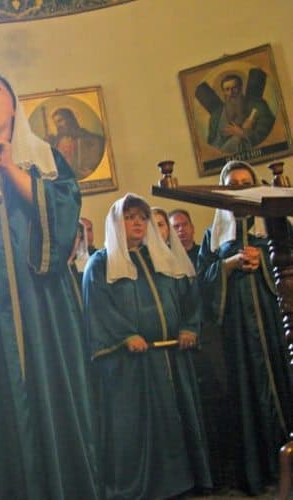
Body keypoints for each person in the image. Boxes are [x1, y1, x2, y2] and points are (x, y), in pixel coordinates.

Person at [0, 70, 100, 499]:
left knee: (57, 395)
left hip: (44, 302)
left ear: (13, 105)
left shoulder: (46, 160)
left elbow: (66, 217)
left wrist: (11, 170)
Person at [83, 193, 212, 499]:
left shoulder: (162, 259)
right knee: (139, 429)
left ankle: (186, 482)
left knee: (177, 420)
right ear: (116, 223)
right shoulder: (100, 264)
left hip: (172, 356)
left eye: (142, 217)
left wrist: (188, 327)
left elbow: (189, 298)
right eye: (129, 218)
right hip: (132, 365)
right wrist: (126, 335)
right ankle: (146, 489)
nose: (138, 223)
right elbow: (98, 308)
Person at [197, 160, 293, 495]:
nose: (240, 186)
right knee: (248, 391)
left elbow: (290, 259)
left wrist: (263, 262)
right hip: (238, 330)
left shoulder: (275, 222)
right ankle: (263, 469)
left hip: (276, 319)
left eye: (245, 181)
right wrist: (230, 264)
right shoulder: (214, 235)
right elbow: (203, 281)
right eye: (233, 183)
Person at [207, 74, 275, 154]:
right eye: (227, 89)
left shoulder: (258, 106)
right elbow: (212, 145)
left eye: (234, 88)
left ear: (241, 87)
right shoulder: (217, 115)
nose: (231, 93)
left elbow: (267, 134)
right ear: (223, 92)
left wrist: (243, 134)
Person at [48, 107, 105, 180]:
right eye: (55, 123)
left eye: (60, 121)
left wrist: (90, 167)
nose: (58, 126)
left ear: (69, 119)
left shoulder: (85, 136)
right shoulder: (56, 141)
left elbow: (100, 142)